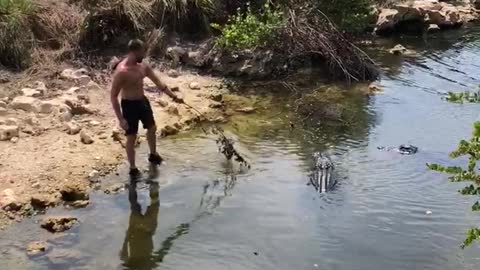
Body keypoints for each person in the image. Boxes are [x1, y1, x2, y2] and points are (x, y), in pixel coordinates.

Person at [111, 39, 183, 177]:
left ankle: (153, 154)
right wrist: (120, 119)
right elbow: (113, 96)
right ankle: (132, 168)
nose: (145, 54)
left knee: (152, 128)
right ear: (135, 51)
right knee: (131, 137)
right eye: (143, 51)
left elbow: (158, 82)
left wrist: (174, 97)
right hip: (129, 105)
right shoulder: (121, 72)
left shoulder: (143, 66)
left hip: (142, 101)